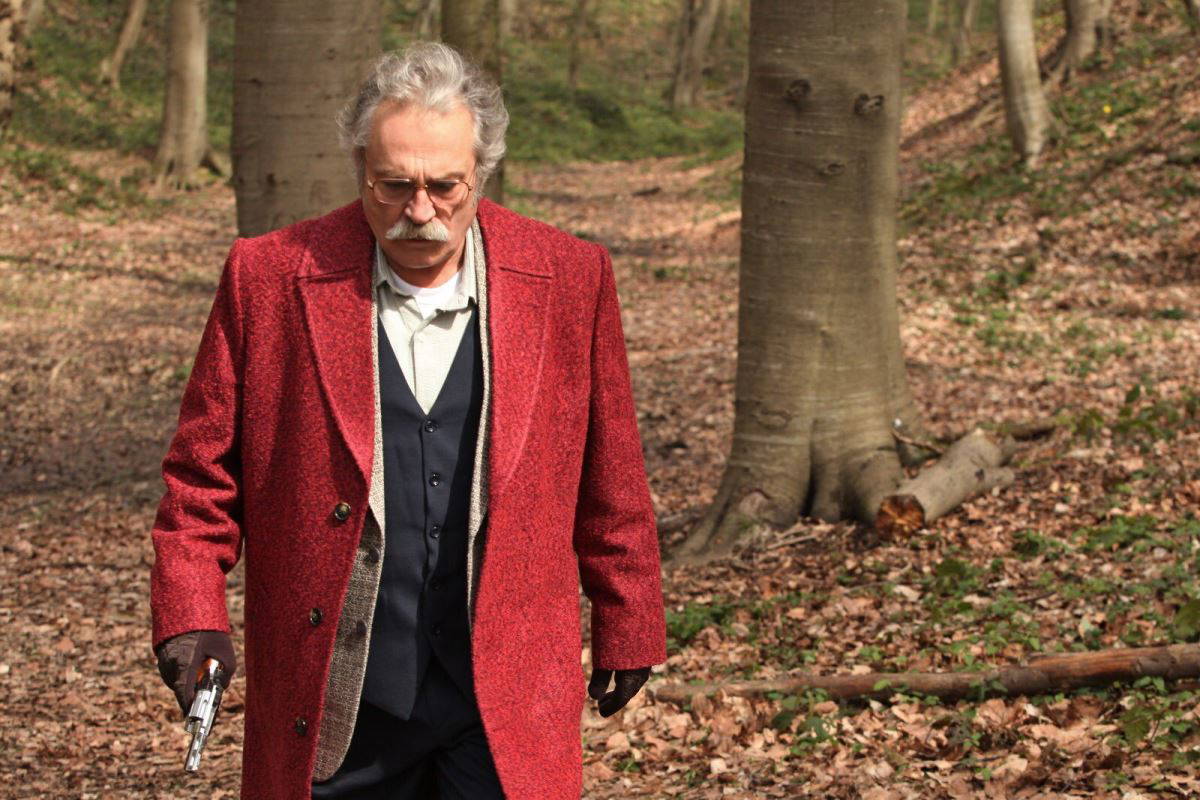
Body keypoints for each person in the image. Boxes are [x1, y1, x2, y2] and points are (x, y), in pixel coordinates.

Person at [150, 42, 667, 800]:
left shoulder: (569, 278)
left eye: (443, 187)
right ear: (360, 166)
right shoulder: (268, 279)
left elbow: (610, 472)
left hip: (506, 701)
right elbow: (200, 481)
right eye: (393, 186)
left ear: (480, 171)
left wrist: (628, 616)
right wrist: (191, 613)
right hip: (335, 704)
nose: (419, 212)